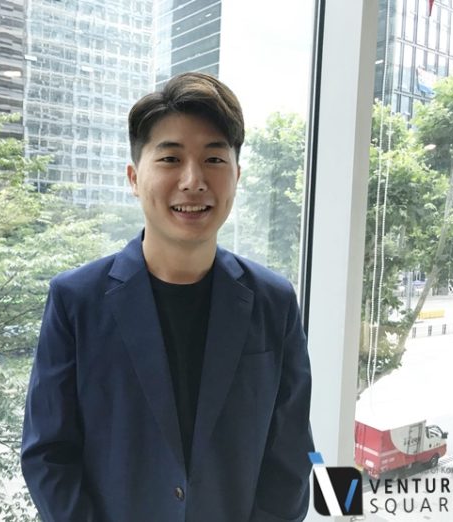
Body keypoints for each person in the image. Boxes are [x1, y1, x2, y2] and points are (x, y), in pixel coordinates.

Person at [21, 72, 314, 522]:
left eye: (214, 159)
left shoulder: (273, 301)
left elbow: (291, 454)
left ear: (236, 176)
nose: (193, 180)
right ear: (134, 177)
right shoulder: (76, 300)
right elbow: (48, 454)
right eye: (171, 158)